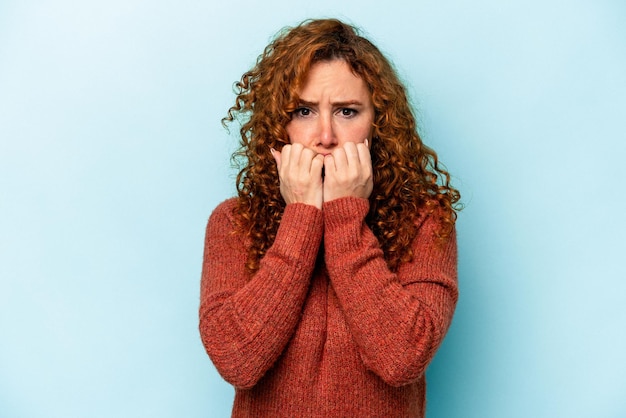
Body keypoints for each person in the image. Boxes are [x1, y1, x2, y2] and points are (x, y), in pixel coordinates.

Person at [199, 18, 461, 417]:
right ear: (279, 124)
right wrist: (301, 216)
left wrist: (345, 217)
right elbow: (237, 361)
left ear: (379, 122)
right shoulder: (235, 222)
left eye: (347, 111)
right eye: (303, 110)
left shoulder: (425, 220)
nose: (325, 136)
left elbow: (403, 357)